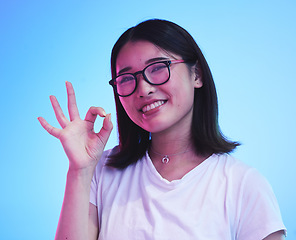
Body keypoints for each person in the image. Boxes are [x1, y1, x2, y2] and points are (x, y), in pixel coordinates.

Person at [38, 19, 286, 240]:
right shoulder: (102, 170)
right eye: (126, 78)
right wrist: (80, 170)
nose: (143, 89)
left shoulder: (243, 184)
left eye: (157, 67)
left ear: (196, 74)